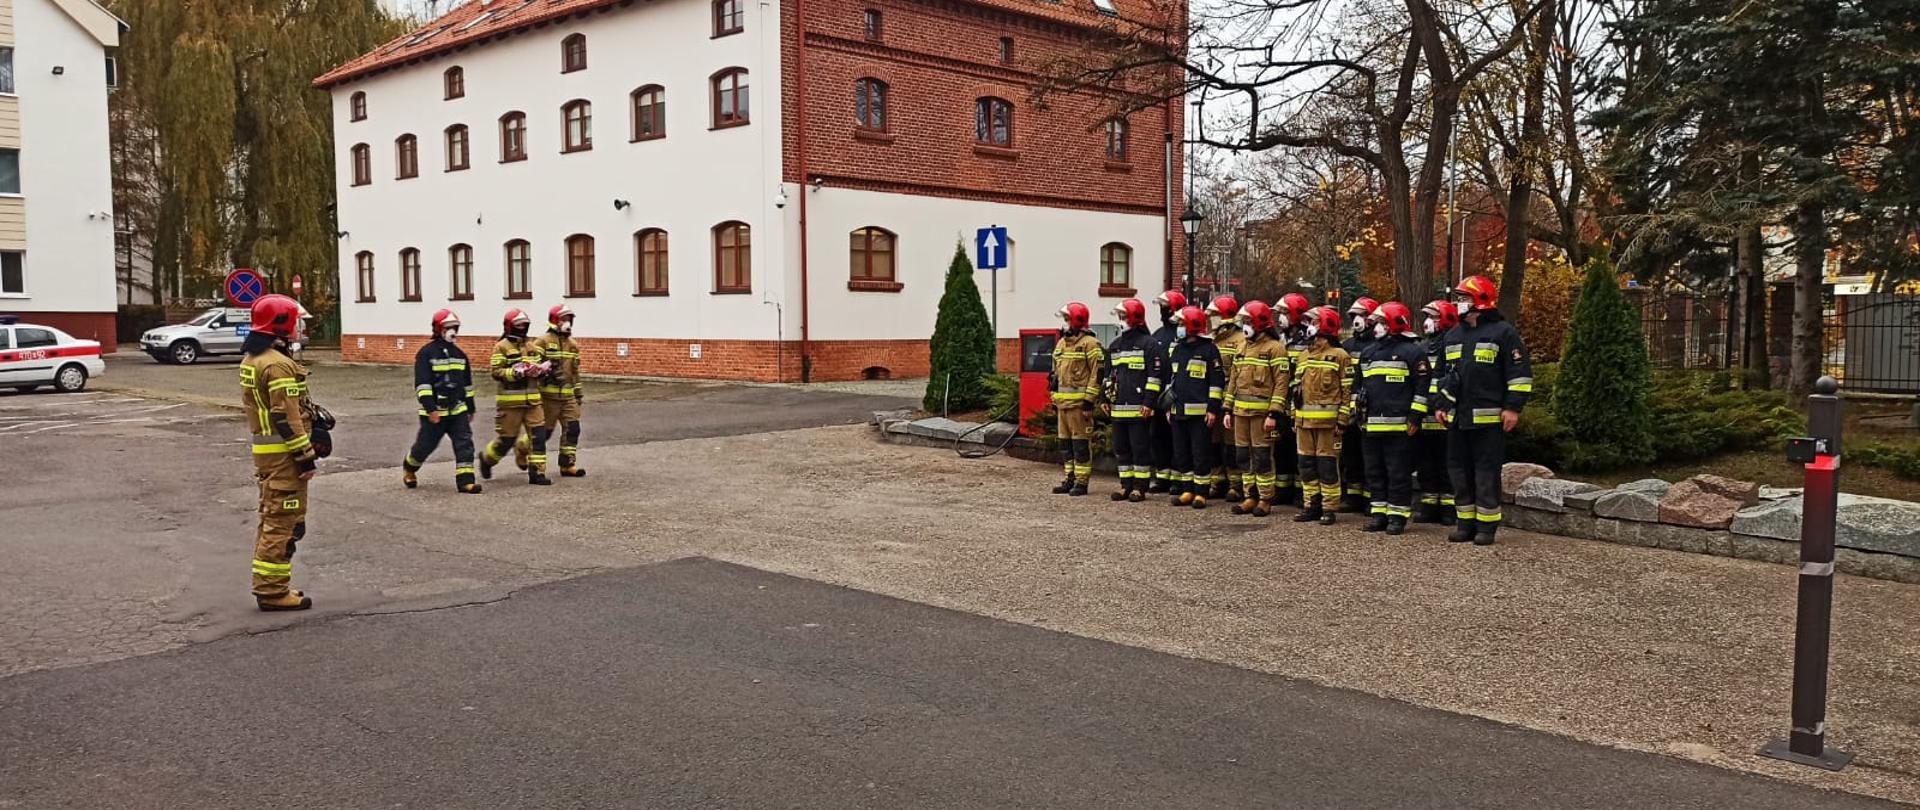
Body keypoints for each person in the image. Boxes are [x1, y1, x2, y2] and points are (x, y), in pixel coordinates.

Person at [1434, 275, 1533, 546]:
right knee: (1458, 472)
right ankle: (1464, 523)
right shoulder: (1452, 335)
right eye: (1459, 298)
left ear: (1481, 301)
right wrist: (1440, 406)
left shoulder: (1503, 333)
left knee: (1485, 473)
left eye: (1464, 298)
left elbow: (1519, 375)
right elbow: (1440, 375)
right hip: (1456, 420)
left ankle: (1487, 527)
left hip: (1488, 421)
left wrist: (1512, 408)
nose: (1459, 303)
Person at [238, 294, 318, 611]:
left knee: (275, 519)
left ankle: (272, 585)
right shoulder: (277, 364)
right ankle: (272, 591)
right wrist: (305, 455)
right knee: (283, 522)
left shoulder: (256, 358)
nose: (300, 327)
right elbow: (285, 415)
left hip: (271, 457)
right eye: (296, 321)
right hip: (285, 459)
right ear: (282, 325)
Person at [1355, 302, 1430, 535]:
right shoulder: (1368, 352)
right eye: (1375, 323)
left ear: (1395, 323)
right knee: (1374, 471)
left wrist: (1415, 417)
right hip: (1371, 426)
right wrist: (1356, 414)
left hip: (1399, 427)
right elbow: (1358, 387)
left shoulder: (1413, 352)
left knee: (1398, 472)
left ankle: (1397, 516)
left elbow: (1422, 387)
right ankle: (1378, 513)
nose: (1376, 327)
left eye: (1381, 322)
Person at [403, 309, 481, 494]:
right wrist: (431, 409)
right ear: (439, 329)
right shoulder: (426, 353)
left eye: (455, 327)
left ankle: (466, 482)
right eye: (448, 327)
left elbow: (467, 385)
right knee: (425, 446)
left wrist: (470, 408)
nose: (452, 331)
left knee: (464, 443)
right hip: (435, 412)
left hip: (457, 410)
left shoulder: (460, 355)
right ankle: (410, 467)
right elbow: (422, 384)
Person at [1223, 300, 1288, 517]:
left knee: (1262, 457)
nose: (1245, 325)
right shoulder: (1241, 348)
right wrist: (1227, 408)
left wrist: (1274, 413)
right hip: (1240, 414)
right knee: (1243, 456)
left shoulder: (1275, 349)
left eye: (1248, 321)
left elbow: (1281, 383)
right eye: (1243, 321)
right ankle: (1249, 496)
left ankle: (1265, 498)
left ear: (1260, 323)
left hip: (1262, 416)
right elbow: (1233, 380)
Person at [1291, 306, 1356, 525]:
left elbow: (1347, 391)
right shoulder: (1303, 356)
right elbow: (1295, 389)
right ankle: (1312, 505)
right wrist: (1294, 417)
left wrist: (1342, 420)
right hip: (1303, 423)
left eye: (1314, 322)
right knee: (1306, 465)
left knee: (1327, 467)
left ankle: (1329, 508)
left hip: (1329, 425)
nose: (1309, 327)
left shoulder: (1340, 356)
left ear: (1326, 326)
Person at [480, 309, 553, 486]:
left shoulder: (532, 347)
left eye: (525, 325)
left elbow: (540, 367)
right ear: (510, 326)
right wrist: (515, 372)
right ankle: (487, 459)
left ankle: (537, 472)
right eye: (519, 325)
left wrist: (542, 371)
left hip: (533, 401)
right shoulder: (501, 347)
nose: (522, 328)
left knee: (538, 436)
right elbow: (496, 372)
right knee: (507, 440)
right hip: (510, 404)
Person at [1165, 305, 1225, 508]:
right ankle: (1187, 490)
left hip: (1200, 414)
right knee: (1181, 453)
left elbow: (1216, 382)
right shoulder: (1177, 348)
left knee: (1200, 454)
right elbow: (1170, 380)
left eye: (1182, 323)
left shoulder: (1209, 349)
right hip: (1177, 411)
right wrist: (1167, 406)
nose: (1179, 327)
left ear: (1192, 325)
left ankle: (1201, 493)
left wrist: (1212, 409)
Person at [1104, 299, 1158, 502]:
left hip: (1139, 410)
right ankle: (1125, 485)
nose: (1121, 320)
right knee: (1121, 449)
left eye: (1124, 316)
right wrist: (1105, 398)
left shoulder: (1148, 344)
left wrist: (1149, 402)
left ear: (1135, 318)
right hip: (1118, 409)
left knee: (1140, 449)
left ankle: (1139, 487)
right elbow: (1108, 375)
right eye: (1119, 316)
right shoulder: (1115, 345)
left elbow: (1154, 377)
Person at [1050, 301, 1104, 496]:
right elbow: (1055, 374)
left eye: (1067, 319)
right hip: (1062, 405)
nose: (1065, 324)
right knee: (1065, 445)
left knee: (1080, 445)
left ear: (1077, 321)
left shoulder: (1090, 344)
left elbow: (1097, 375)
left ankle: (1082, 482)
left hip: (1080, 406)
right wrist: (1053, 399)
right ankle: (1070, 478)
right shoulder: (1061, 344)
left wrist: (1089, 401)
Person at [1414, 300, 1459, 525]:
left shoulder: (1453, 346)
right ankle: (1428, 505)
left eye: (1434, 317)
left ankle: (1449, 509)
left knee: (1446, 464)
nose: (1428, 322)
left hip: (1446, 416)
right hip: (1425, 416)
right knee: (1425, 464)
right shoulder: (1421, 348)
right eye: (1427, 317)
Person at [1271, 292, 1314, 507]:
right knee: (1281, 448)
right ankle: (1283, 489)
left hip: (1300, 402)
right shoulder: (1281, 338)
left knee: (1301, 452)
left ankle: (1300, 492)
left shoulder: (1308, 339)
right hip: (1282, 401)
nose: (1280, 318)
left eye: (1284, 313)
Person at [535, 305, 588, 478]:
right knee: (545, 432)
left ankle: (567, 464)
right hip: (548, 397)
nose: (567, 323)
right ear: (554, 321)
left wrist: (578, 394)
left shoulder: (572, 345)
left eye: (569, 319)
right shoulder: (542, 342)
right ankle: (524, 451)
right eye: (563, 319)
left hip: (568, 396)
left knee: (573, 428)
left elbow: (574, 372)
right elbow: (533, 367)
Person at [1339, 296, 1380, 513]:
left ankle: (1370, 498)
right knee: (1350, 453)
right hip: (1349, 408)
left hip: (1369, 410)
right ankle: (1353, 496)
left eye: (1362, 315)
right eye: (1354, 316)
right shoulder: (1346, 345)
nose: (1357, 320)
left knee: (1369, 456)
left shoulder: (1377, 346)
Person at [1203, 295, 1244, 501]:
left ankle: (1235, 484)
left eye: (1214, 315)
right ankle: (1216, 480)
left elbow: (1238, 374)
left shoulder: (1240, 340)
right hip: (1213, 399)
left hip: (1231, 400)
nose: (1211, 318)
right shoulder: (1211, 339)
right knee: (1213, 442)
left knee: (1231, 444)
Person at [1145, 290, 1186, 494]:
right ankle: (1162, 477)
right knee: (1157, 435)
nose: (1162, 311)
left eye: (1165, 307)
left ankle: (1178, 479)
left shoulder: (1183, 335)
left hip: (1176, 397)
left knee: (1176, 438)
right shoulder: (1158, 335)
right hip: (1158, 396)